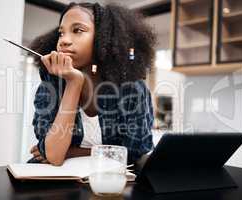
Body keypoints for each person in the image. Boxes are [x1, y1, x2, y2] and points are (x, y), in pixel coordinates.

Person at [28, 2, 157, 166]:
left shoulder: (132, 89)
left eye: (78, 30)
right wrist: (74, 82)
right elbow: (53, 155)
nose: (64, 41)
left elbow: (135, 151)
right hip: (57, 182)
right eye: (61, 33)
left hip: (110, 181)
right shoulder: (52, 83)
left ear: (104, 38)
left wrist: (73, 151)